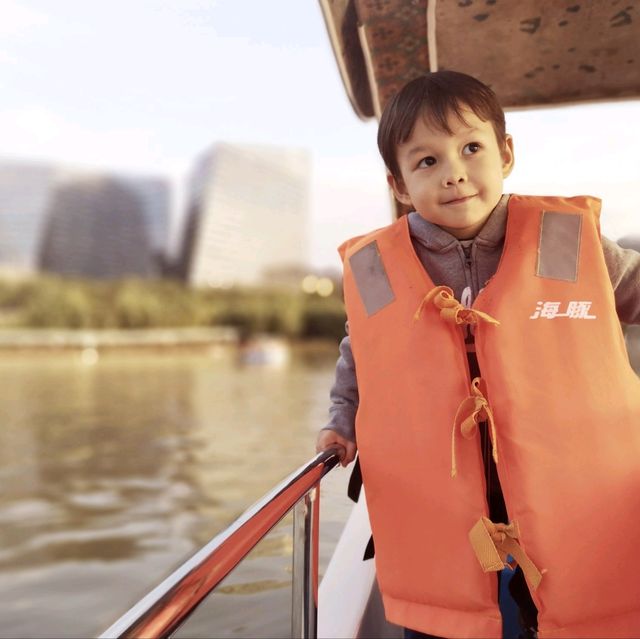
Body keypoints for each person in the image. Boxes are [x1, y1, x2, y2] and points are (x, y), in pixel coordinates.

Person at [316, 70, 640, 639]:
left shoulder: (568, 241)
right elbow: (358, 352)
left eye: (470, 148)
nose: (455, 174)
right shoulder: (375, 269)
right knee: (453, 606)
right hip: (442, 487)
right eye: (427, 162)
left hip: (562, 483)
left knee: (568, 601)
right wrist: (340, 422)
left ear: (505, 153)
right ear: (398, 184)